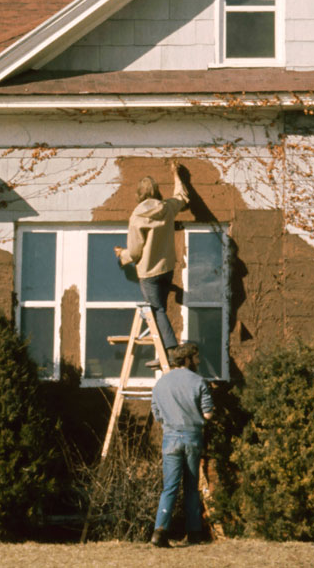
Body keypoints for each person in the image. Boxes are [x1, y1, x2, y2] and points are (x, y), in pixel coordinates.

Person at [115, 160, 188, 354]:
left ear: (139, 194)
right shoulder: (167, 207)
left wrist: (122, 255)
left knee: (157, 311)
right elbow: (181, 197)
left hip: (149, 273)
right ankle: (163, 353)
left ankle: (172, 351)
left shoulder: (137, 217)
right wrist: (176, 175)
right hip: (167, 269)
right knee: (160, 310)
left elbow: (136, 251)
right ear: (156, 192)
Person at [149, 342, 213, 548]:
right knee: (191, 487)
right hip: (192, 437)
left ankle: (160, 532)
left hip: (170, 438)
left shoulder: (160, 384)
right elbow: (208, 413)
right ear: (187, 359)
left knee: (170, 487)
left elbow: (157, 414)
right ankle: (194, 533)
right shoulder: (199, 381)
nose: (198, 361)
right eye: (196, 357)